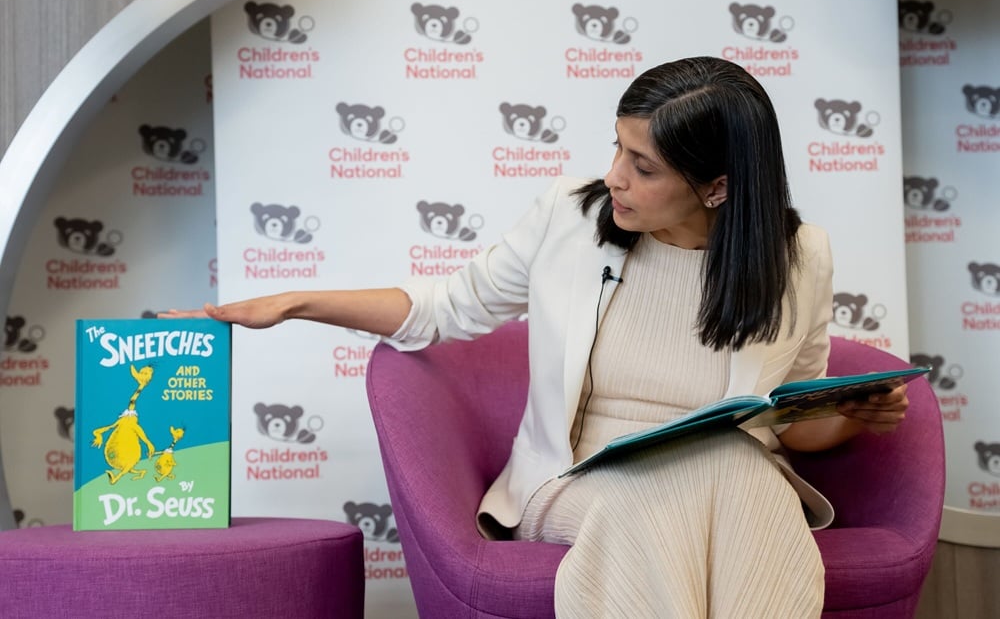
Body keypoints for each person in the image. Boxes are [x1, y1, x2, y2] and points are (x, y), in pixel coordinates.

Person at [162, 56, 909, 618]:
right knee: (691, 492)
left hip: (730, 477)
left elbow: (788, 416)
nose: (613, 176)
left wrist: (846, 417)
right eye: (616, 148)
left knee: (737, 472)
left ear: (716, 186)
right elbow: (443, 307)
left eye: (641, 166)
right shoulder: (570, 218)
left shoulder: (797, 254)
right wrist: (297, 302)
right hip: (580, 478)